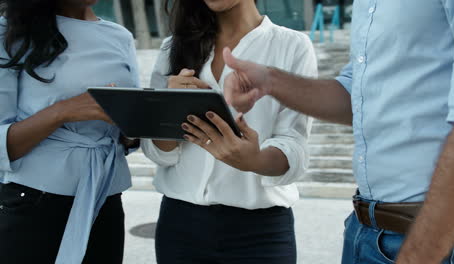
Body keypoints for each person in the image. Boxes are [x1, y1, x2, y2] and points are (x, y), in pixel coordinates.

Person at [221, 1, 454, 263]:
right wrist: (269, 80)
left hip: (440, 242)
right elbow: (357, 96)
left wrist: (419, 254)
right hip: (365, 231)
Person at [141, 0, 317, 263]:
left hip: (260, 233)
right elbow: (158, 151)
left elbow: (295, 144)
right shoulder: (173, 48)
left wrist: (255, 160)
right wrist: (169, 108)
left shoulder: (292, 46)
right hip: (180, 226)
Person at [0, 0, 139, 263]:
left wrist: (133, 128)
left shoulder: (120, 36)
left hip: (105, 196)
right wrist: (63, 110)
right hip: (34, 200)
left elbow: (129, 129)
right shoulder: (8, 32)